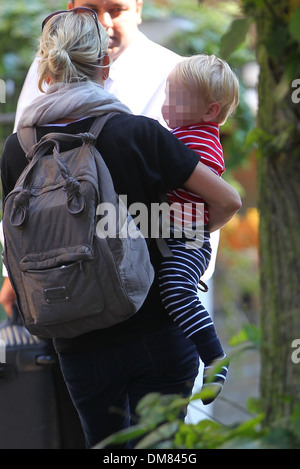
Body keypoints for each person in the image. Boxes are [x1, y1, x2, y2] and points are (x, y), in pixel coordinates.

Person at [0, 10, 241, 448]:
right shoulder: (141, 133)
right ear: (105, 66)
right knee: (160, 451)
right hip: (159, 330)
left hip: (76, 336)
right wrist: (190, 231)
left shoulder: (18, 149)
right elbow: (226, 200)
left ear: (45, 68)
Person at [159, 54, 239, 405]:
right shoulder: (185, 133)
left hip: (188, 240)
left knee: (177, 290)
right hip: (180, 235)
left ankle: (215, 357)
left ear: (209, 111)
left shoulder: (198, 143)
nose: (165, 106)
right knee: (169, 293)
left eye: (175, 99)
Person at [13, 0, 181, 130]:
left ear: (138, 9)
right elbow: (22, 142)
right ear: (71, 11)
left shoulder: (175, 72)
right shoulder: (47, 64)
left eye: (117, 10)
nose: (104, 22)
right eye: (91, 10)